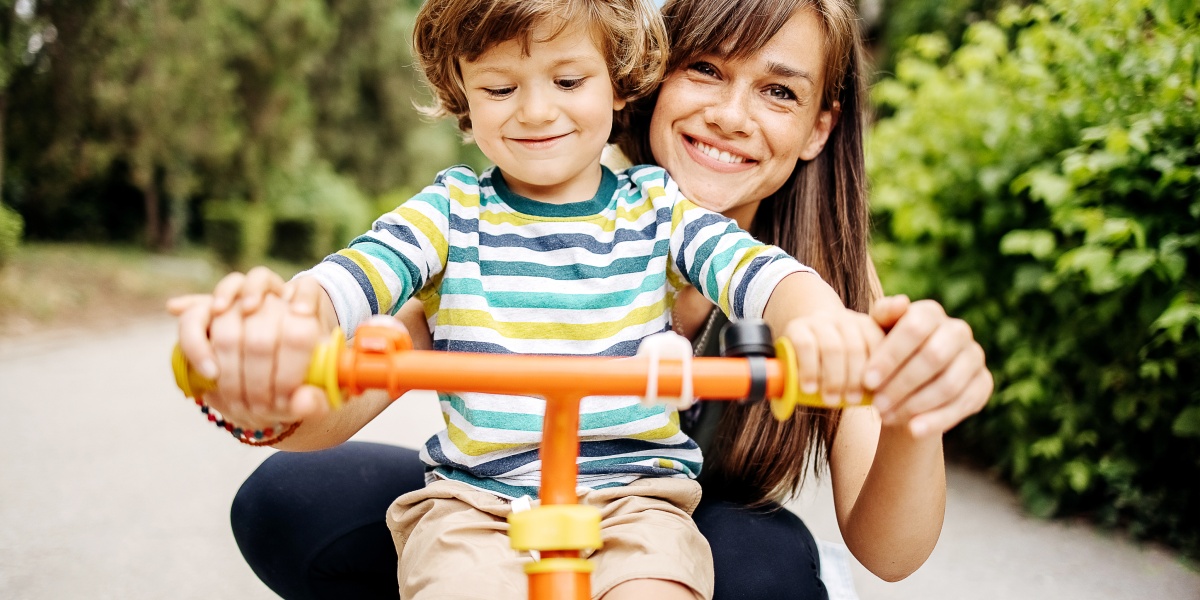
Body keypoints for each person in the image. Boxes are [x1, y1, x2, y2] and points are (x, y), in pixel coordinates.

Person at [172, 0, 993, 598]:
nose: (731, 115)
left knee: (763, 566)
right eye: (705, 69)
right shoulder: (486, 218)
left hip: (652, 507)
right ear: (646, 83)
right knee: (296, 496)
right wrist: (259, 364)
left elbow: (890, 544)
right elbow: (353, 339)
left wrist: (892, 389)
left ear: (818, 126)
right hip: (488, 493)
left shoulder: (768, 261)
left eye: (779, 92)